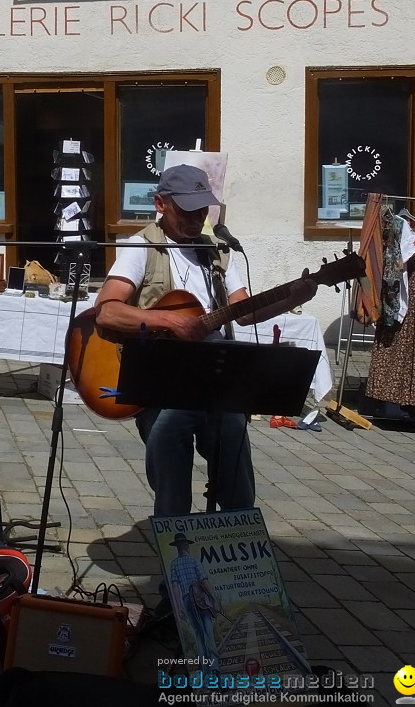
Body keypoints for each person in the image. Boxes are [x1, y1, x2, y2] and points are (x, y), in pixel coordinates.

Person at [93, 163, 317, 516]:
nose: (197, 217)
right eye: (187, 209)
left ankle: (237, 527)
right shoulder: (142, 247)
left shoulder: (218, 252)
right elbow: (107, 312)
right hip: (159, 382)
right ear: (161, 203)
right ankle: (176, 533)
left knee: (231, 427)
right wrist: (168, 321)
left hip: (212, 379)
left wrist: (292, 298)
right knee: (171, 427)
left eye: (202, 208)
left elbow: (244, 312)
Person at [167, 533, 220, 671]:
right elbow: (204, 581)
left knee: (199, 635)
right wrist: (214, 598)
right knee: (209, 633)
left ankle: (206, 671)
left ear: (177, 547)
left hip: (187, 600)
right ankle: (215, 668)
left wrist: (179, 606)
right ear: (186, 545)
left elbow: (175, 586)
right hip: (201, 600)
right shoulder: (194, 561)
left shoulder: (174, 564)